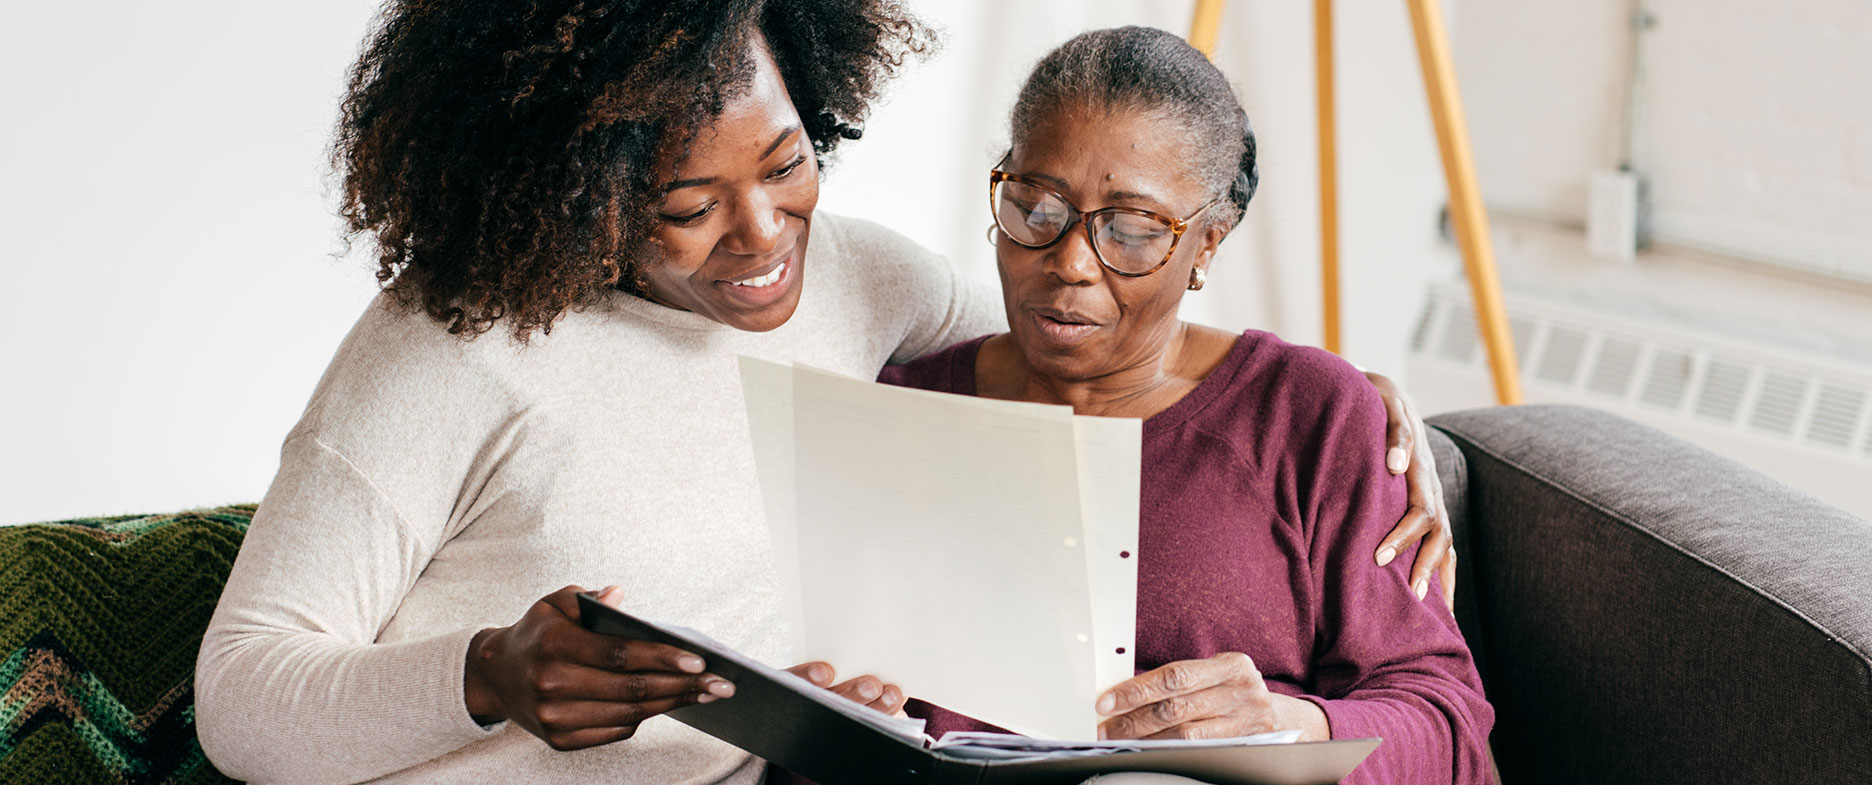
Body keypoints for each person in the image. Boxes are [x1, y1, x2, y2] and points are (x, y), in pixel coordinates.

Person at [195, 2, 1457, 783]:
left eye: (788, 163)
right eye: (687, 207)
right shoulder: (447, 344)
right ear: (575, 189)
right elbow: (241, 701)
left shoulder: (869, 288)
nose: (763, 241)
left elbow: (1097, 335)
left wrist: (1361, 405)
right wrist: (483, 674)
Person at [880, 27, 1493, 784]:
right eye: (1036, 208)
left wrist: (1292, 725)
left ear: (1207, 243)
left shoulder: (1310, 415)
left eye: (1133, 230)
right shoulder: (901, 409)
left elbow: (1448, 724)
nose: (1069, 262)